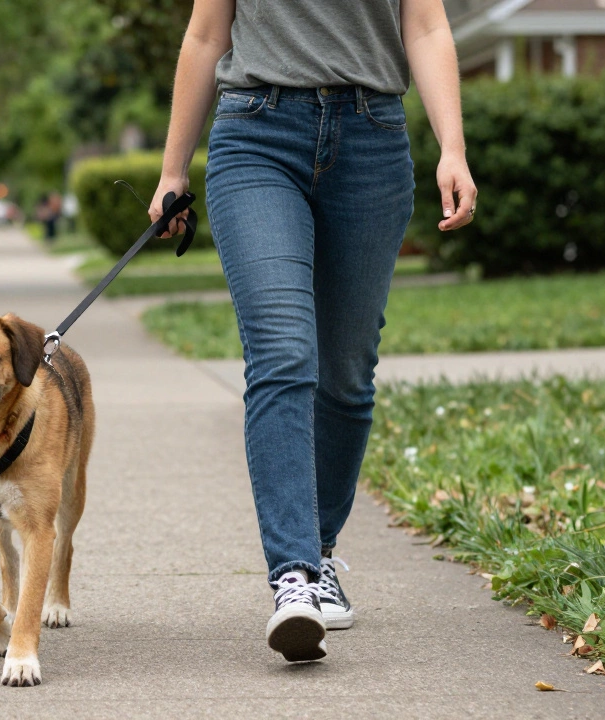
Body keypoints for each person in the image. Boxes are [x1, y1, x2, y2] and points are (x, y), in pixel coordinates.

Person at [151, 0, 477, 662]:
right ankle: (294, 576)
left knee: (347, 371)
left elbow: (426, 24)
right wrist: (173, 170)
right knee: (283, 353)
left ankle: (322, 550)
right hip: (256, 133)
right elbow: (207, 32)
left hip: (372, 138)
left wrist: (453, 148)